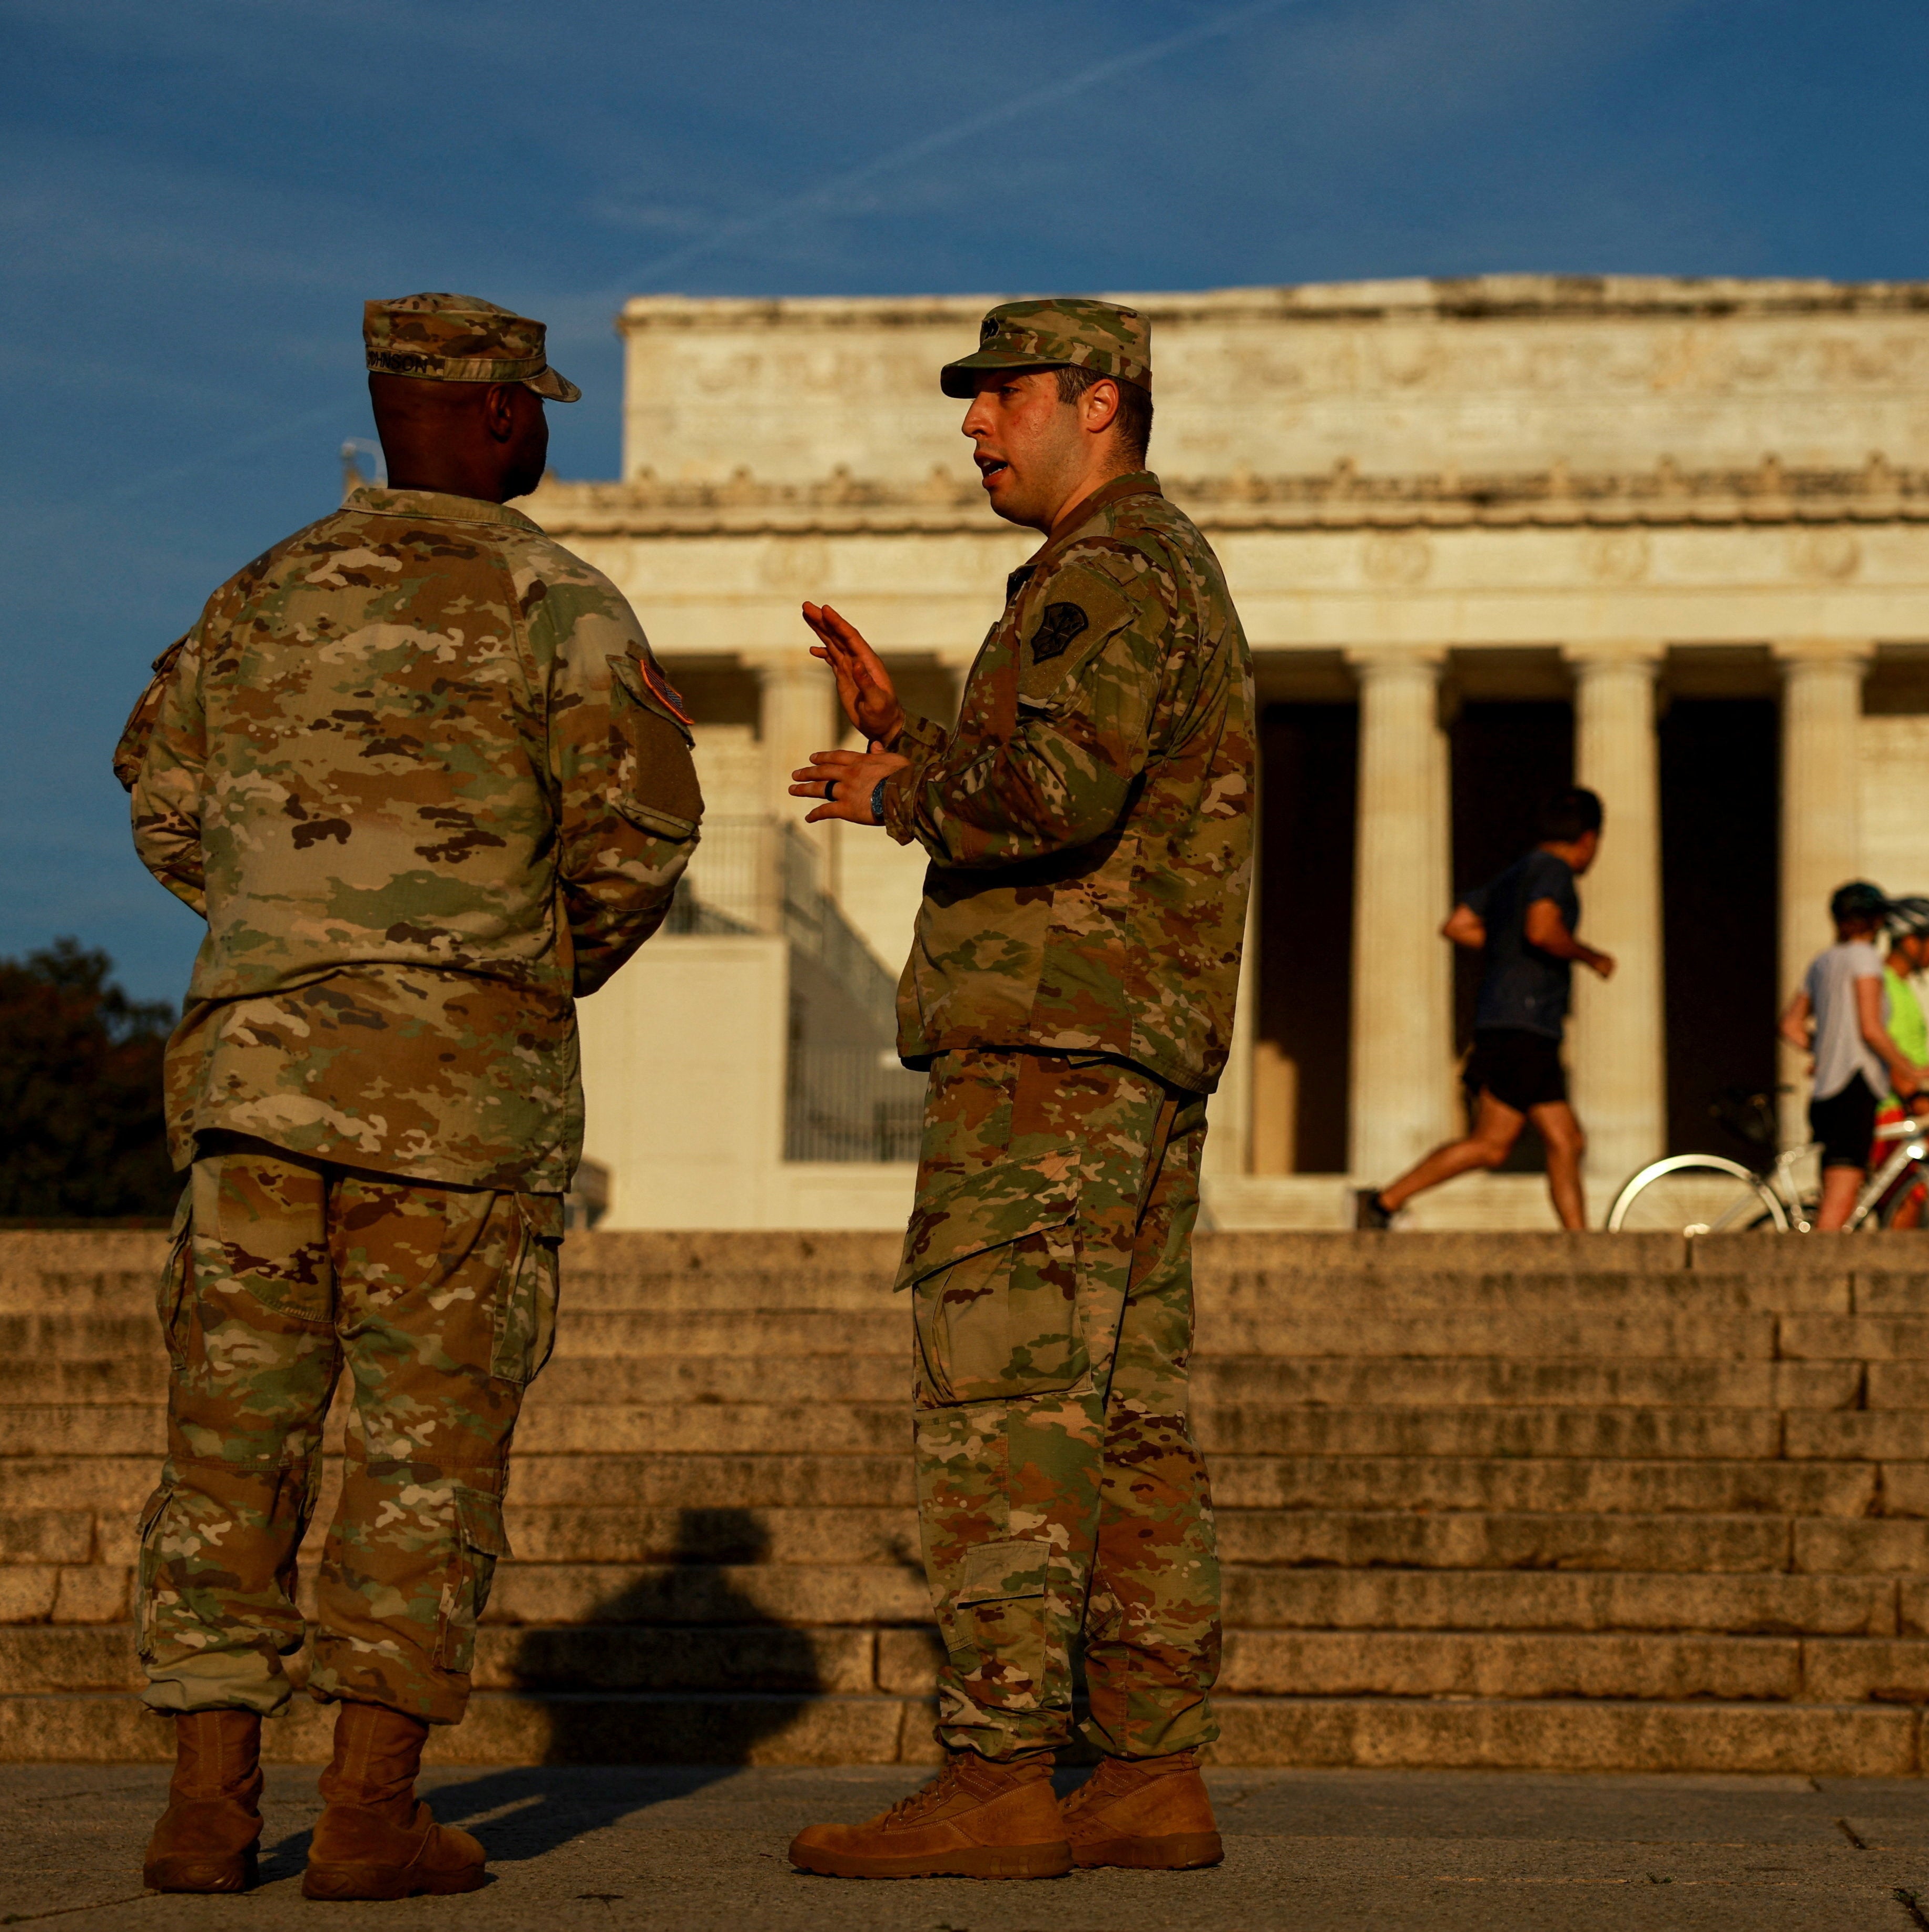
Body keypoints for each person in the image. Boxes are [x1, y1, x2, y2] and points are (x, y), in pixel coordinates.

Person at [113, 294, 701, 1900]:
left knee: (230, 1441)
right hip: (459, 1102)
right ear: (503, 418)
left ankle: (204, 1805)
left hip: (253, 1078)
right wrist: (502, 970)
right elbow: (640, 839)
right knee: (426, 1450)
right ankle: (368, 1810)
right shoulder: (555, 598)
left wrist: (288, 935)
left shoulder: (261, 592)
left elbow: (163, 797)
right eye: (543, 412)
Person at [786, 299, 1255, 1881]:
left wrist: (896, 787)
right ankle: (1143, 1771)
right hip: (1127, 1040)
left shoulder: (1109, 568)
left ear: (1095, 404)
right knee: (1123, 1415)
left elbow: (1054, 792)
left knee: (1004, 1411)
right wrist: (909, 731)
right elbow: (1098, 784)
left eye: (1001, 398)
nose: (975, 428)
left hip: (1051, 1049)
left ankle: (997, 1773)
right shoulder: (1149, 570)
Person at [1356, 788, 1615, 1231]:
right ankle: (1580, 1243)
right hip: (1527, 1022)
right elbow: (1542, 928)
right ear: (1589, 839)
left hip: (1502, 1020)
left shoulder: (1515, 873)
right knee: (1550, 1140)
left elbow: (1457, 925)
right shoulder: (1554, 872)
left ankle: (1382, 1203)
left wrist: (1503, 945)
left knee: (1512, 1144)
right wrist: (1590, 957)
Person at [1778, 879, 1929, 1229]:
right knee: (1837, 1210)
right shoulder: (1865, 959)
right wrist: (1916, 1071)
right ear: (1877, 922)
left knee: (1837, 1197)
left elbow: (1791, 1026)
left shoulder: (1822, 962)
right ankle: (1813, 1279)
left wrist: (1825, 1047)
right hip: (1853, 1089)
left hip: (1825, 1093)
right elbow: (1871, 1029)